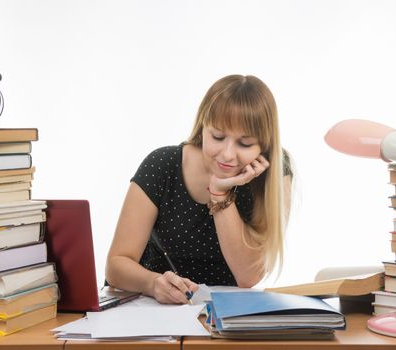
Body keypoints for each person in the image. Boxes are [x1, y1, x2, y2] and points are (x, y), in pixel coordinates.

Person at [105, 74, 293, 304]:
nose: (227, 154)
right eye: (217, 136)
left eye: (245, 144)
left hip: (224, 316)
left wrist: (220, 193)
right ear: (203, 127)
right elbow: (115, 265)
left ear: (265, 145)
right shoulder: (162, 165)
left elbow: (248, 277)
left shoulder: (274, 173)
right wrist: (152, 284)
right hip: (153, 308)